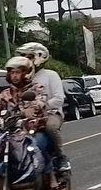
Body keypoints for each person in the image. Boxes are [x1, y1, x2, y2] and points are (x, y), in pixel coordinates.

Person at [0, 56, 58, 190]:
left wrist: (33, 108)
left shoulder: (36, 88)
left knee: (38, 144)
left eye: (18, 72)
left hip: (33, 128)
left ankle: (52, 178)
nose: (14, 76)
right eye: (12, 72)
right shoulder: (6, 93)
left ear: (26, 73)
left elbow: (41, 102)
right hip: (12, 131)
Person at [14, 42, 70, 172]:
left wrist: (43, 105)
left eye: (28, 57)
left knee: (50, 128)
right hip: (29, 117)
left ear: (39, 57)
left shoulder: (51, 75)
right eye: (22, 57)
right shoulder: (23, 79)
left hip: (51, 114)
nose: (25, 60)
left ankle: (61, 157)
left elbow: (59, 99)